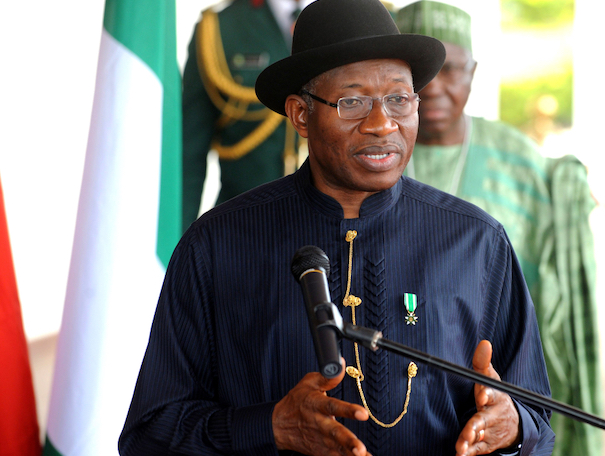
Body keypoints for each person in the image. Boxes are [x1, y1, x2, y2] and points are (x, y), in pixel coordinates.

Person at [119, 0, 555, 454]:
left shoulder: (477, 242)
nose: (382, 123)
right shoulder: (216, 245)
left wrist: (512, 426)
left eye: (399, 99)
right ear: (300, 115)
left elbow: (538, 422)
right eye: (353, 102)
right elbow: (148, 436)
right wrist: (270, 427)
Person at [396, 2, 601, 456]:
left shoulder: (520, 160)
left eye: (452, 70)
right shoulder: (377, 157)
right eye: (420, 73)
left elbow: (552, 299)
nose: (435, 87)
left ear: (473, 72)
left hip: (506, 373)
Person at [181, 0, 314, 232]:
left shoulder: (359, 18)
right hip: (241, 229)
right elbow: (189, 157)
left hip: (338, 231)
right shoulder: (219, 28)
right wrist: (176, 245)